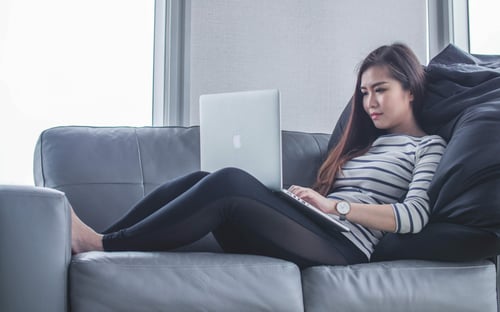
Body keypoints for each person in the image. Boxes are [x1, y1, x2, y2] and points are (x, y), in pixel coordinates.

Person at [71, 43, 447, 268]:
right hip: (315, 228)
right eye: (363, 93)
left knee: (229, 182)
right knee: (205, 178)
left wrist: (336, 208)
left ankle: (101, 245)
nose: (369, 103)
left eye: (379, 90)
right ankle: (103, 239)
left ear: (410, 90)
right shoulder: (365, 144)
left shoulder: (428, 146)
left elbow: (414, 217)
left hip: (346, 246)